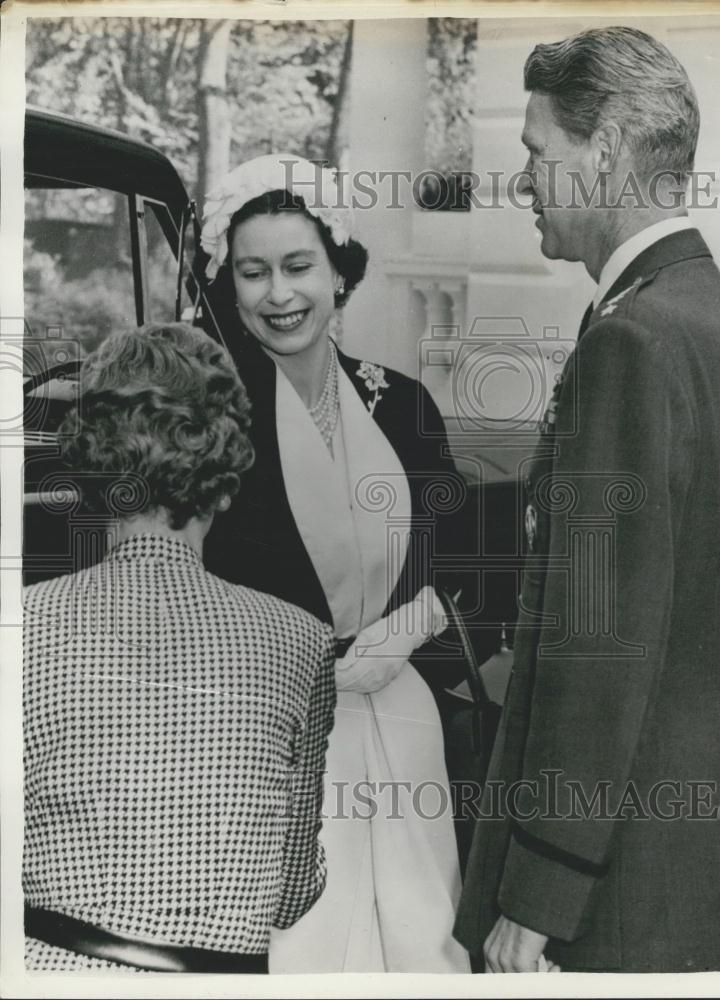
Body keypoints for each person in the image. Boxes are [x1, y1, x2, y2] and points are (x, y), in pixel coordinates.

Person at [454, 26, 720, 973]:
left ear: (610, 148)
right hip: (689, 848)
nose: (524, 183)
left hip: (611, 881)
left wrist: (540, 892)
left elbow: (602, 644)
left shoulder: (631, 344)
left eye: (537, 153)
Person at [200, 155, 471, 972]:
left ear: (338, 273)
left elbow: (468, 559)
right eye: (254, 273)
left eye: (297, 267)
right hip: (261, 731)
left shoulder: (405, 405)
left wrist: (411, 628)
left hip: (398, 714)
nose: (278, 295)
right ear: (229, 283)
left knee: (418, 934)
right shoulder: (210, 416)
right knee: (301, 945)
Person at [23, 322, 336, 973]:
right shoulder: (302, 641)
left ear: (91, 467)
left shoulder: (23, 626)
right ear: (224, 475)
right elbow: (289, 893)